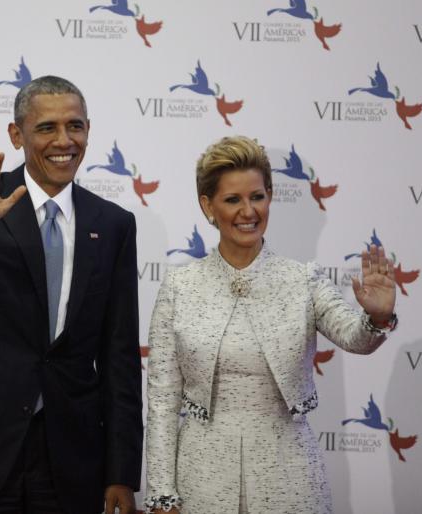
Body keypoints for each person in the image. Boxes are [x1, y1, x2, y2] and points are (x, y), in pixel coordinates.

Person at [0, 75, 143, 514]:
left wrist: (122, 470)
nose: (64, 141)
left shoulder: (113, 223)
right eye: (46, 128)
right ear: (16, 135)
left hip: (71, 452)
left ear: (88, 131)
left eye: (75, 126)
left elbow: (120, 355)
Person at [144, 136, 397, 514]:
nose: (248, 211)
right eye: (233, 200)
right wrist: (162, 494)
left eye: (258, 197)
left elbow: (354, 337)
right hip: (202, 478)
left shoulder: (302, 279)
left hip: (290, 476)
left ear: (270, 197)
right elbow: (163, 401)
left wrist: (377, 317)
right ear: (208, 206)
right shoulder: (180, 286)